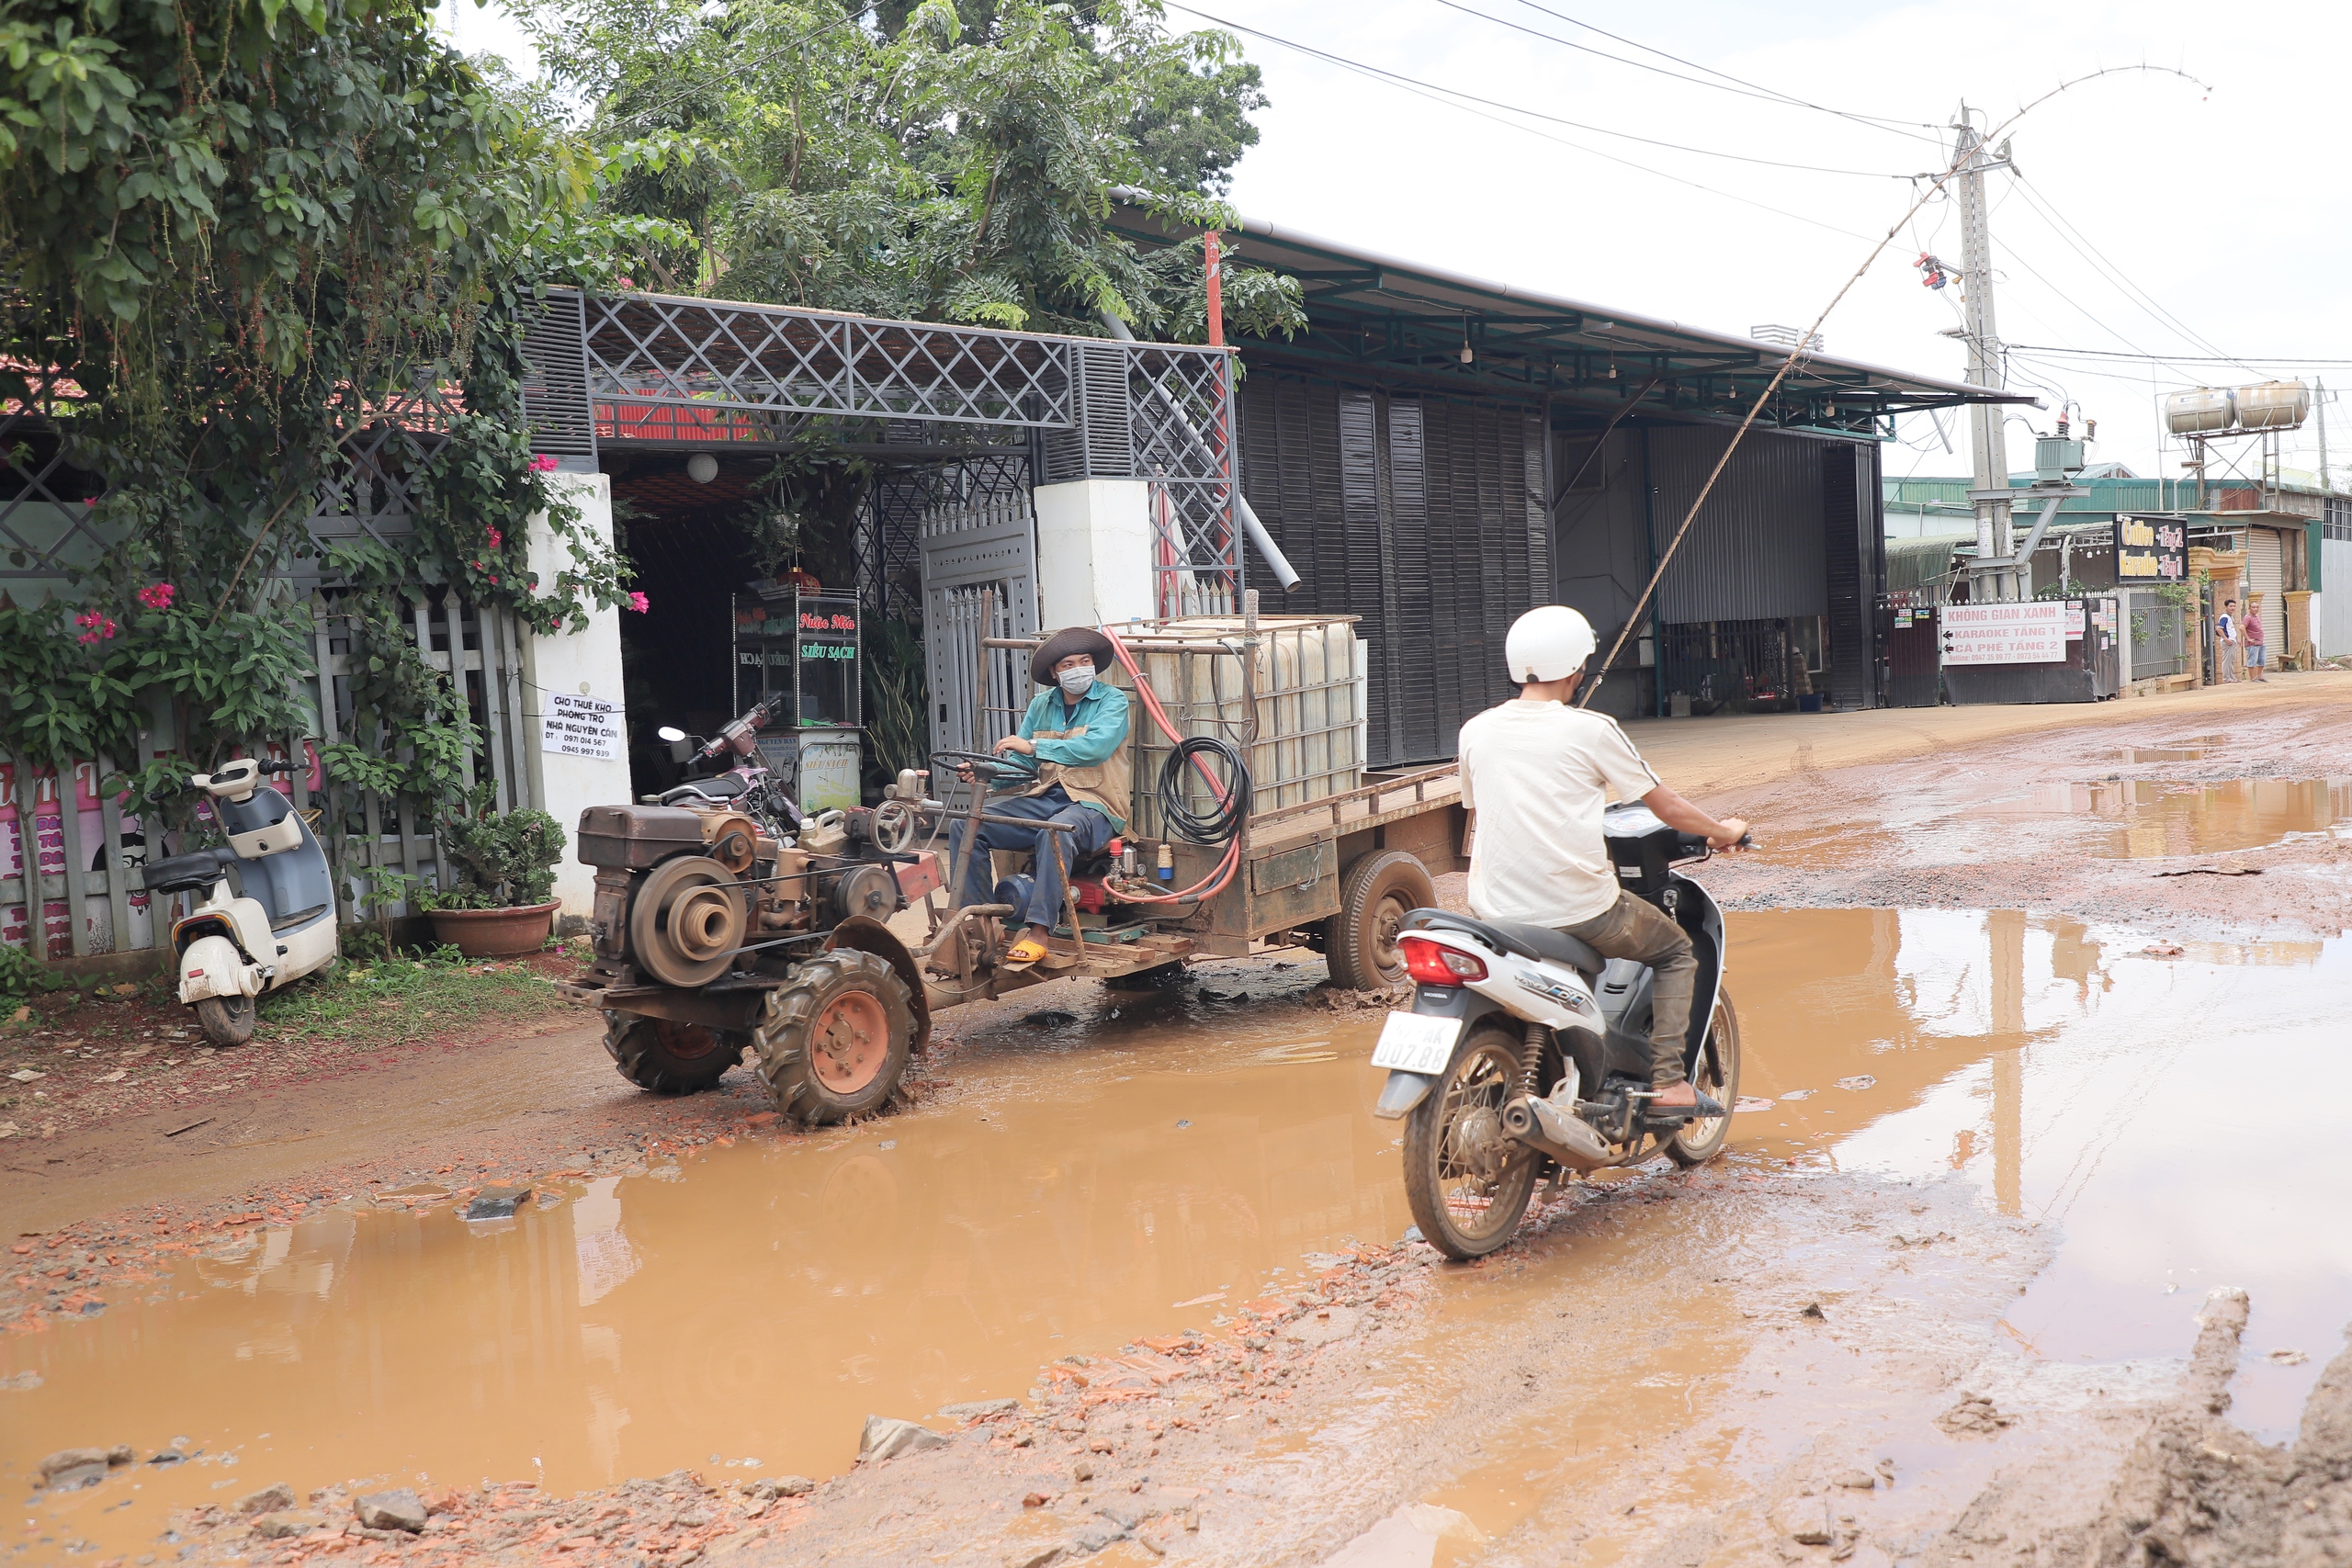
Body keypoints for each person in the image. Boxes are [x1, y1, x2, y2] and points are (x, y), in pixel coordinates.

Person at [1457, 606, 1749, 1116]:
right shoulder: (1592, 729)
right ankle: (1669, 1084)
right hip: (1577, 909)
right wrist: (1724, 832)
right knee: (1677, 951)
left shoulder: (1476, 731)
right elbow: (1667, 806)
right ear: (1576, 669)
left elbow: (1487, 812)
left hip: (1495, 911)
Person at [953, 626, 1131, 965]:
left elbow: (1095, 749)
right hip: (1047, 797)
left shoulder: (1113, 701)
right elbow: (1022, 765)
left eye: (1085, 661)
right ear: (1054, 672)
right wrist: (987, 774)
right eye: (1068, 664)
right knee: (968, 825)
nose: (1078, 668)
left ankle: (1038, 931)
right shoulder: (1041, 704)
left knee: (1055, 831)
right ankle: (980, 923)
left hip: (1096, 804)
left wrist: (1035, 745)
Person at [2242, 599, 2268, 682]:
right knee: (2252, 660)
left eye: (2257, 607)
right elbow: (2241, 627)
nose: (2256, 609)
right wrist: (2248, 638)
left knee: (2262, 660)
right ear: (2249, 608)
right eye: (2253, 607)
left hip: (2260, 642)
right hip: (2252, 643)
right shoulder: (2247, 617)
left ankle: (2259, 676)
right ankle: (2252, 678)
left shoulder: (2256, 617)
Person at [2215, 598, 2239, 682]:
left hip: (2232, 641)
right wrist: (2226, 639)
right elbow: (2219, 629)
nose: (2232, 608)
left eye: (2234, 606)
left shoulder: (2230, 617)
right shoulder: (2224, 617)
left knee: (2231, 660)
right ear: (2226, 607)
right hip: (2228, 642)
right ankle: (2226, 678)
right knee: (2227, 660)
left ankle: (2232, 677)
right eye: (2230, 606)